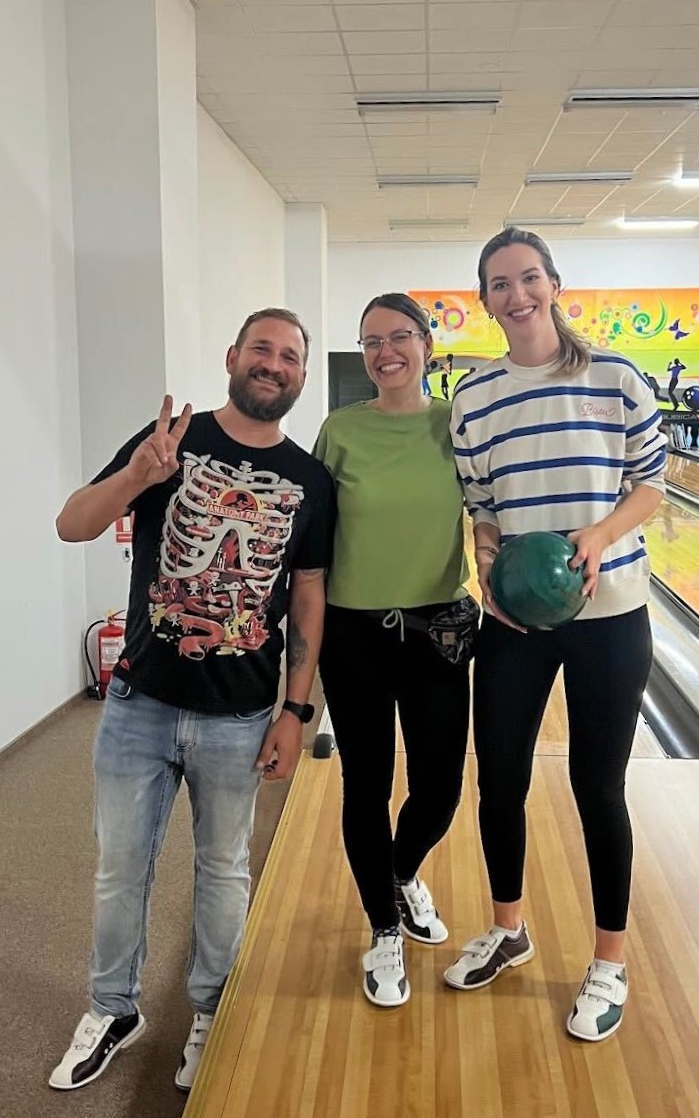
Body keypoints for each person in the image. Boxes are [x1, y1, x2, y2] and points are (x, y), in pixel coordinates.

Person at [48, 309, 335, 1094]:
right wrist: (139, 474)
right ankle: (113, 1008)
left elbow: (307, 598)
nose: (273, 365)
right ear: (233, 357)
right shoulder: (172, 438)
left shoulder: (310, 481)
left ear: (301, 376)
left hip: (241, 713)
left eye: (289, 357)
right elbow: (72, 523)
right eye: (262, 350)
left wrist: (295, 709)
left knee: (221, 869)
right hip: (140, 702)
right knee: (119, 869)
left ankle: (212, 1010)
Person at [444, 227, 665, 1044]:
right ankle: (510, 927)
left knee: (596, 787)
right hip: (515, 620)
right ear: (486, 299)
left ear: (554, 283)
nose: (517, 294)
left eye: (528, 277)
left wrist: (601, 536)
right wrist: (489, 565)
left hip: (610, 615)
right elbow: (483, 506)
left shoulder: (614, 377)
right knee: (497, 779)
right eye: (499, 283)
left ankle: (608, 960)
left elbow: (652, 484)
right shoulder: (474, 397)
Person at [314, 294, 478, 1009]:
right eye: (372, 340)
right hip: (354, 634)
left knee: (440, 788)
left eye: (401, 336)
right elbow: (314, 541)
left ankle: (403, 872)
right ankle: (383, 926)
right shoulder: (340, 429)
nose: (387, 350)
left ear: (427, 345)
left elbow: (494, 511)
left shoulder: (456, 426)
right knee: (367, 784)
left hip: (437, 627)